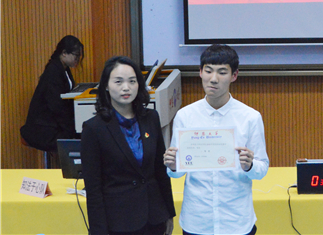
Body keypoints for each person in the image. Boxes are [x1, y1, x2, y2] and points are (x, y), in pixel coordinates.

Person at [163, 44, 269, 235]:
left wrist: (250, 166)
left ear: (234, 75)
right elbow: (177, 173)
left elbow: (261, 170)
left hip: (236, 221)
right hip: (197, 221)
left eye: (222, 72)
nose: (213, 79)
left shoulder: (250, 117)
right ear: (200, 72)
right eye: (208, 71)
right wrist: (173, 166)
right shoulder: (185, 116)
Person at [81, 56, 176, 235]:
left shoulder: (151, 118)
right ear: (106, 85)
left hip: (154, 218)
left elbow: (160, 171)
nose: (126, 87)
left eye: (132, 81)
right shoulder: (94, 128)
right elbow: (93, 190)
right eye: (118, 82)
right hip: (119, 222)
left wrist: (169, 213)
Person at [20, 35, 84, 153]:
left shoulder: (63, 69)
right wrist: (71, 126)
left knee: (80, 131)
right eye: (76, 56)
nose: (78, 59)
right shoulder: (53, 72)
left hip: (51, 121)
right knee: (78, 136)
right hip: (43, 126)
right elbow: (56, 106)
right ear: (64, 53)